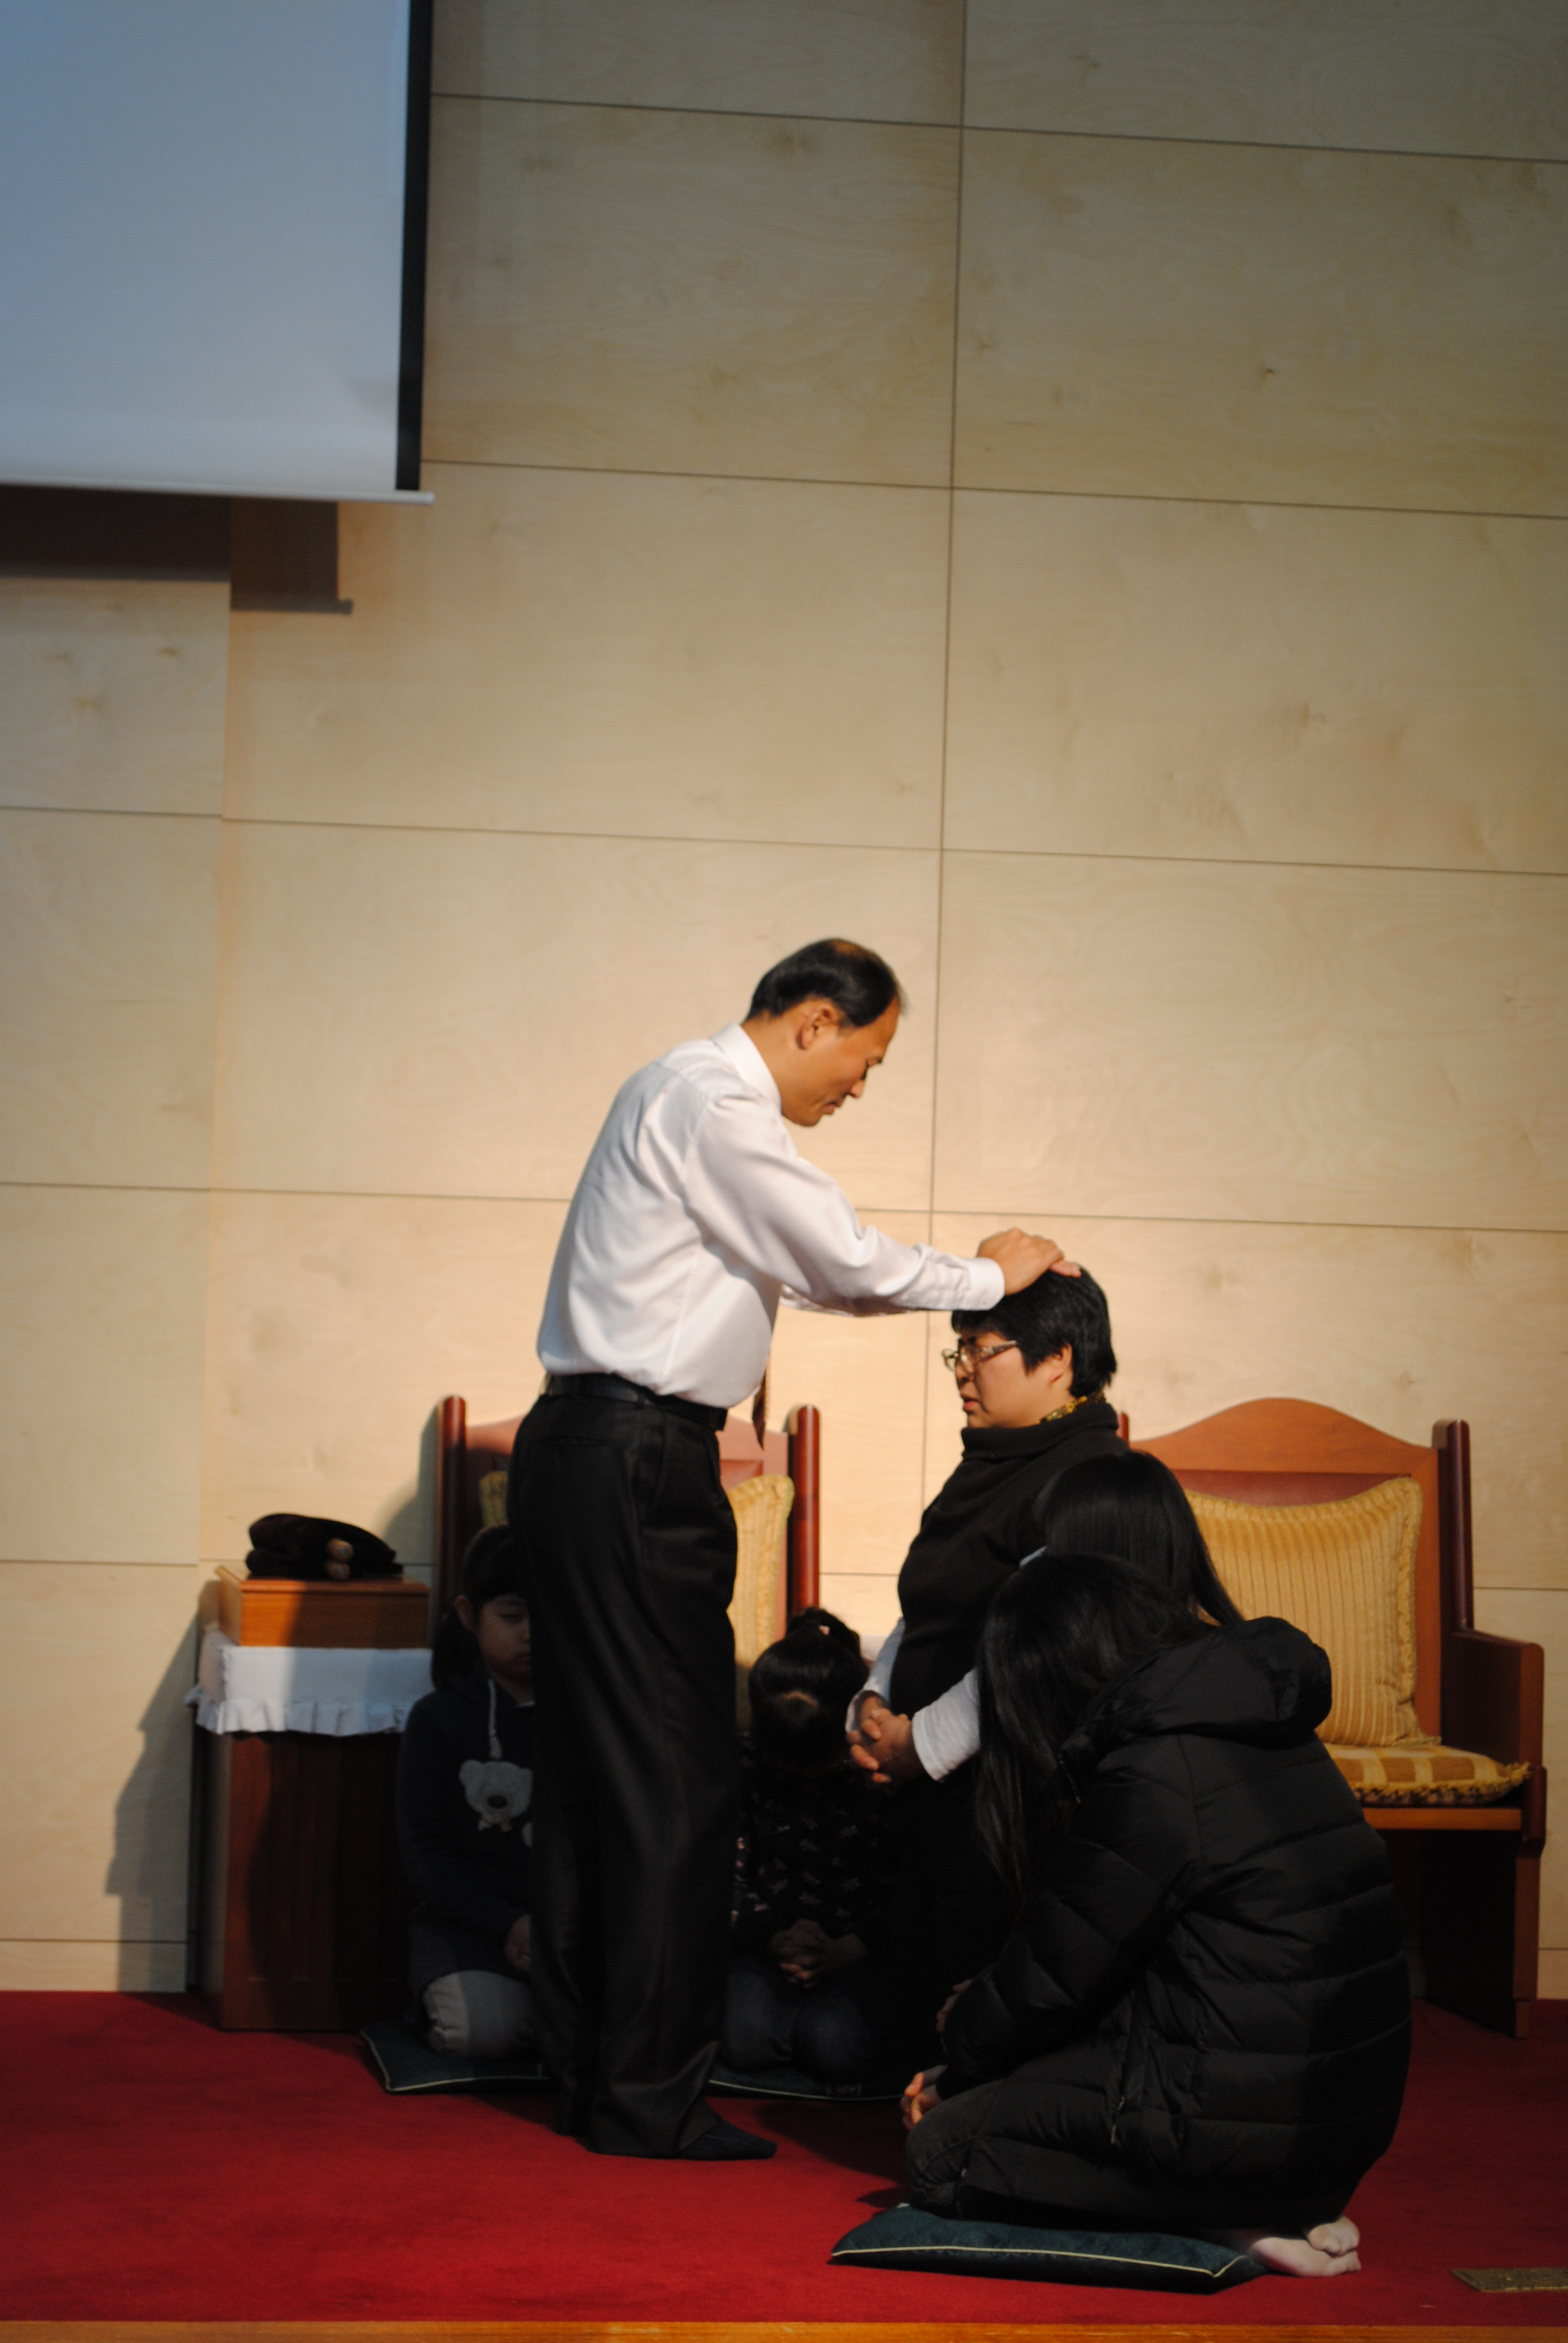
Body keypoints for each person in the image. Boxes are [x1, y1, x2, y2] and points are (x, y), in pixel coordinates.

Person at [508, 936, 1071, 2160]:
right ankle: (647, 2098)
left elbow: (813, 1276)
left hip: (589, 1451)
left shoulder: (672, 1092)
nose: (859, 1087)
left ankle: (593, 2072)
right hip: (635, 1457)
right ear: (815, 1019)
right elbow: (840, 1257)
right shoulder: (714, 1100)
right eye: (866, 1058)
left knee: (598, 1773)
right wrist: (989, 1276)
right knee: (678, 1779)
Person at [902, 1553, 1411, 2277]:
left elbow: (1054, 1977)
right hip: (1339, 2124)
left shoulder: (1155, 1768)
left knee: (942, 2151)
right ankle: (1281, 2201)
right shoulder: (1255, 1716)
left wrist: (960, 2052)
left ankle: (1224, 2216)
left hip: (1245, 2126)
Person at [849, 1267, 1128, 2043]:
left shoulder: (1089, 1476)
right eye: (959, 1351)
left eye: (983, 1349)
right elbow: (930, 1603)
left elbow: (1040, 1650)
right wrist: (873, 1702)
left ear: (1059, 1358)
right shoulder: (994, 1459)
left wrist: (920, 1744)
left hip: (1004, 1806)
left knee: (957, 2030)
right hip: (927, 1796)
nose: (963, 1371)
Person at [724, 1610, 897, 2086]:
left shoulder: (880, 1767)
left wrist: (845, 1949)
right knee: (743, 2037)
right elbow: (721, 1874)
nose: (807, 1776)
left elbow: (912, 1887)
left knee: (834, 2044)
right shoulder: (748, 1763)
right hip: (770, 1939)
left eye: (820, 1763)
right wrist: (775, 1937)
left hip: (864, 1945)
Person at [396, 1527, 537, 2058]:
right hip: (470, 1925)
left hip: (570, 1925)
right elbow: (425, 1855)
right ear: (468, 1614)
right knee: (478, 2032)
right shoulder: (438, 1720)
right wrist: (507, 1925)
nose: (532, 1633)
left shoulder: (588, 1716)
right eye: (512, 1616)